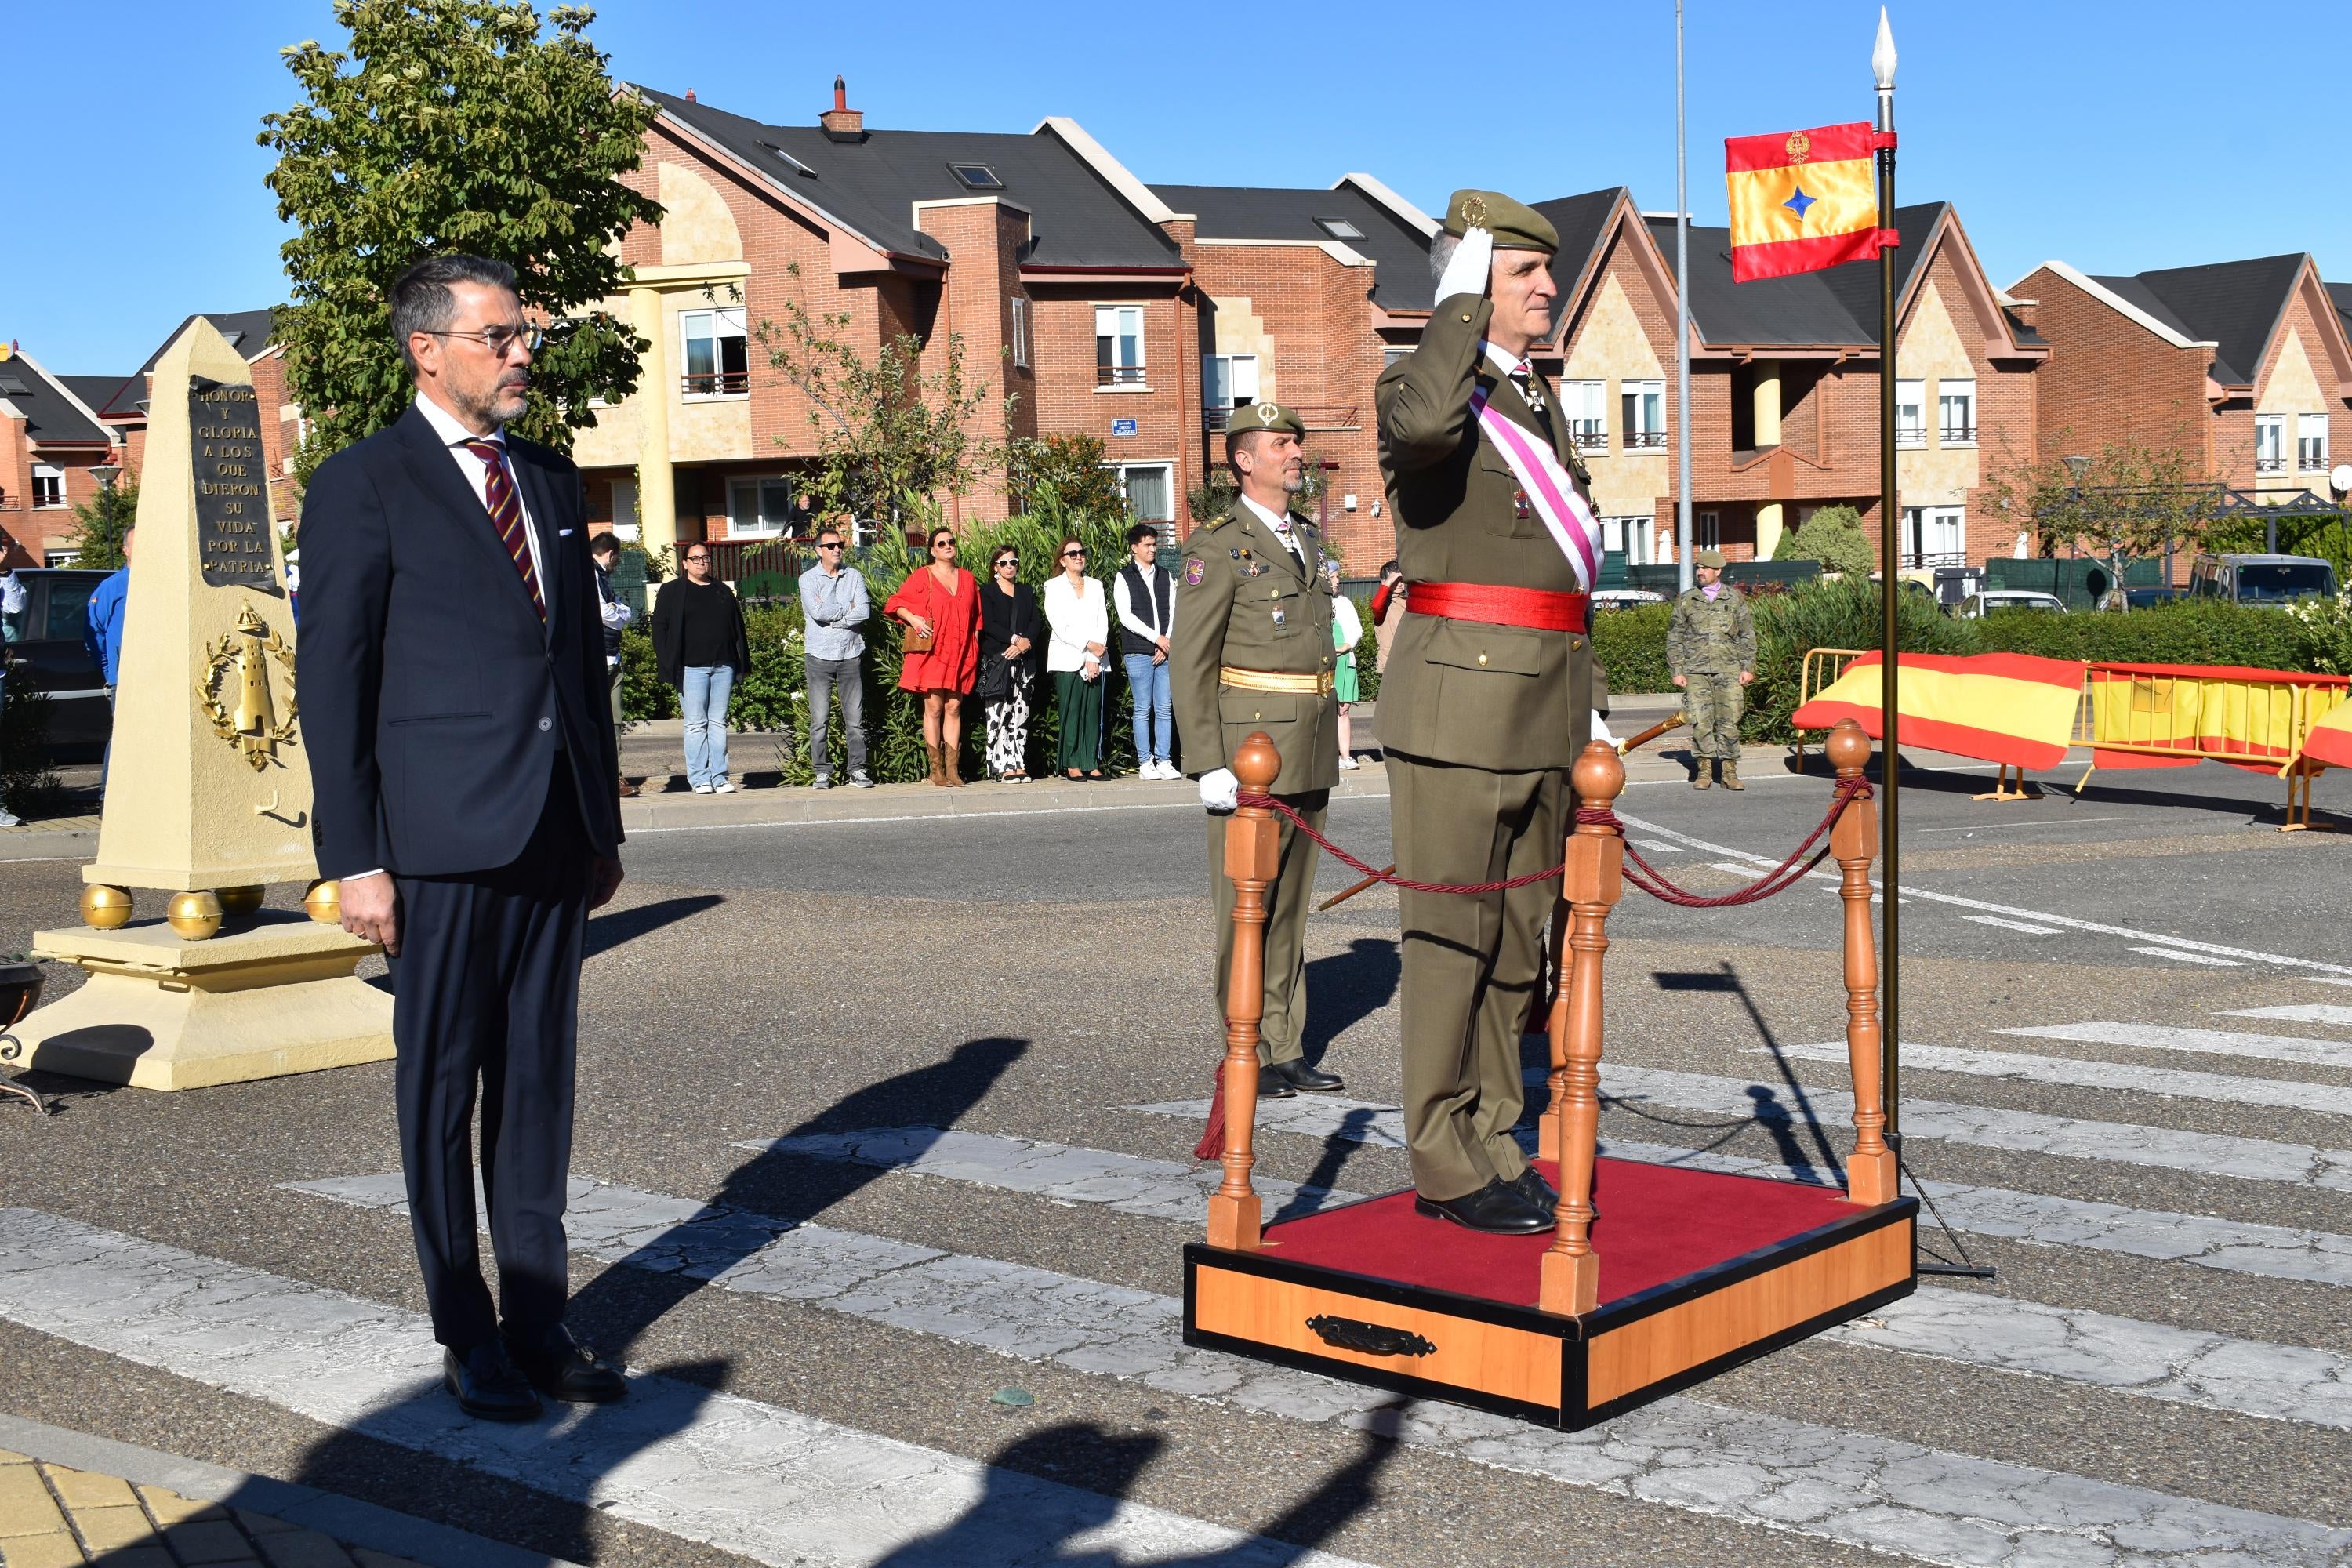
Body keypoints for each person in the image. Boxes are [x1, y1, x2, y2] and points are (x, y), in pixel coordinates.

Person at [298, 252, 626, 1421]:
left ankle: (539, 1318)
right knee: (442, 1090)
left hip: (549, 828)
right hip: (433, 844)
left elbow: (575, 665)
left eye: (525, 333)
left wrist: (602, 820)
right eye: (502, 335)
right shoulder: (363, 485)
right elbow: (333, 681)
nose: (524, 351)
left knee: (538, 1087)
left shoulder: (545, 475)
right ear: (428, 350)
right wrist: (354, 857)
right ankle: (466, 1328)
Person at [1375, 191, 1599, 1236]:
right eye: (1524, 274)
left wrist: (1586, 712)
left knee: (1521, 944)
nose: (1548, 288)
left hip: (1542, 711)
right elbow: (1424, 423)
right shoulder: (1426, 388)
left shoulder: (1534, 401)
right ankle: (1441, 1157)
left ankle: (1494, 1137)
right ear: (1470, 285)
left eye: (1544, 274)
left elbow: (1559, 577)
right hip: (1460, 711)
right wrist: (1458, 303)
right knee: (1451, 939)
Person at [1172, 401, 1341, 1098]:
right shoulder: (1217, 544)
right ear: (1244, 459)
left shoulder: (1306, 536)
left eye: (1297, 443)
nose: (1296, 453)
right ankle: (1245, 1043)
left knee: (1292, 908)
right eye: (1281, 443)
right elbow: (1191, 659)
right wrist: (1207, 760)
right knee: (1247, 904)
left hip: (1307, 743)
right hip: (1249, 751)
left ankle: (1286, 1042)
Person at [885, 526, 980, 786]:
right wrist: (914, 619)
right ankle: (936, 770)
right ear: (932, 550)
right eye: (942, 543)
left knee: (954, 707)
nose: (948, 546)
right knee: (935, 707)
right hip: (934, 651)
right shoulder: (922, 576)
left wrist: (973, 650)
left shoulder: (969, 579)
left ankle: (952, 769)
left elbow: (976, 620)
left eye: (951, 542)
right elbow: (894, 604)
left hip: (961, 651)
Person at [652, 543, 750, 793]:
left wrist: (739, 661)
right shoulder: (671, 591)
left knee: (718, 722)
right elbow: (659, 629)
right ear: (684, 563)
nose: (701, 562)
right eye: (695, 559)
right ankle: (699, 779)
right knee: (696, 724)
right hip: (690, 669)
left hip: (723, 665)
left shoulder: (722, 590)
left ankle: (720, 777)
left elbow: (737, 627)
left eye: (705, 557)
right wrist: (667, 661)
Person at [1668, 547, 1757, 790]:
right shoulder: (1687, 599)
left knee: (1729, 721)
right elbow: (1675, 636)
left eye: (1705, 568)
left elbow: (1747, 635)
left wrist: (1748, 667)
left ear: (1718, 571)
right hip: (1696, 672)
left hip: (1728, 670)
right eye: (1698, 568)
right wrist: (1677, 670)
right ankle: (1704, 772)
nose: (1700, 572)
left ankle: (1729, 773)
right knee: (1701, 722)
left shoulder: (1734, 598)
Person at [798, 525, 873, 789]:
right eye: (831, 546)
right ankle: (822, 771)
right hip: (819, 656)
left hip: (851, 654)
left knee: (855, 719)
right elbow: (817, 612)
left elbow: (863, 611)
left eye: (839, 544)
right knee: (820, 719)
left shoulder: (854, 576)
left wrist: (838, 621)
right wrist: (846, 609)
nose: (837, 549)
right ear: (819, 550)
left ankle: (858, 770)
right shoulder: (808, 579)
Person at [1112, 522, 1178, 779]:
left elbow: (1174, 609)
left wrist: (1167, 641)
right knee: (1143, 708)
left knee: (1164, 707)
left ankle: (1164, 759)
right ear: (1134, 548)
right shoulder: (1124, 576)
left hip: (1165, 650)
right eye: (1147, 545)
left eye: (1154, 544)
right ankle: (1145, 762)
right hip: (1139, 651)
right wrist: (1156, 639)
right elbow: (1125, 616)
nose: (1153, 549)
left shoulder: (1165, 574)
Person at [1042, 536, 1109, 780]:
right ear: (1062, 560)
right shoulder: (1053, 586)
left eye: (1082, 552)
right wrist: (1087, 647)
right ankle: (1071, 763)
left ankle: (1089, 761)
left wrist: (1093, 655)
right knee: (1072, 712)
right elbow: (1060, 625)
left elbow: (1102, 621)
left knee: (1091, 712)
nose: (1079, 556)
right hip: (1067, 658)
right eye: (1073, 554)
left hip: (1096, 658)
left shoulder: (1096, 585)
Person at [976, 543, 1041, 782]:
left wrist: (1027, 643)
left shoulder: (1026, 591)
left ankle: (1018, 762)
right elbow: (989, 625)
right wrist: (1014, 640)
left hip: (1025, 663)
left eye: (1013, 562)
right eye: (1003, 562)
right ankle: (1001, 765)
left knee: (1021, 714)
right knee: (999, 714)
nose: (1009, 566)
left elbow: (1036, 620)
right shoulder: (988, 592)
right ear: (995, 566)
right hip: (1000, 661)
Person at [589, 532, 637, 797]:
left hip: (612, 656)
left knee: (615, 720)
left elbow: (622, 611)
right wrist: (616, 612)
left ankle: (615, 777)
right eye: (617, 560)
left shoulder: (603, 578)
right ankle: (601, 778)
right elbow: (604, 612)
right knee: (599, 720)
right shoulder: (590, 575)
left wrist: (616, 611)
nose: (616, 565)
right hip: (597, 656)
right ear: (610, 553)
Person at [84, 528, 132, 789]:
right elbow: (94, 631)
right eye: (136, 544)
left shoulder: (162, 584)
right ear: (125, 549)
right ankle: (107, 795)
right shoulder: (112, 587)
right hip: (123, 677)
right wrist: (109, 669)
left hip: (159, 673)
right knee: (122, 737)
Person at [1328, 559, 1363, 770]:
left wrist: (1347, 645)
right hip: (1324, 662)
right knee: (1325, 711)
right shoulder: (1316, 602)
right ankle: (1327, 757)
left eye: (1337, 577)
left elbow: (1357, 629)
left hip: (1345, 659)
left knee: (1344, 709)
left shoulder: (1344, 602)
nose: (1337, 581)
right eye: (1333, 577)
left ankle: (1345, 756)